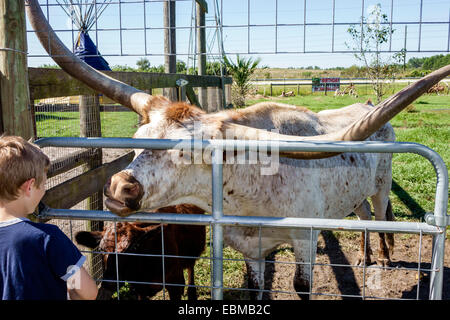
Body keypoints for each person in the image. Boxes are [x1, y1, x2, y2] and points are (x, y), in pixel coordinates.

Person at [0, 135, 98, 300]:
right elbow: (87, 292)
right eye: (44, 184)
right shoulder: (47, 238)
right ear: (29, 186)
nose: (44, 190)